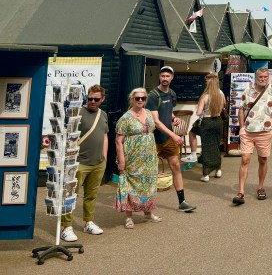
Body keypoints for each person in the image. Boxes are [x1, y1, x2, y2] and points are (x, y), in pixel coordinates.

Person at [114, 87, 184, 228]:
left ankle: (148, 212)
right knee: (131, 185)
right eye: (137, 98)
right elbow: (118, 141)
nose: (140, 100)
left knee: (149, 184)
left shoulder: (148, 113)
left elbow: (160, 122)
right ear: (132, 99)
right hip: (132, 157)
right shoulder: (125, 118)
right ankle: (129, 217)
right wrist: (121, 160)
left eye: (143, 98)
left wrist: (173, 120)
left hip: (149, 157)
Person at [60, 84, 108, 242]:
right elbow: (67, 135)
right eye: (90, 98)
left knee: (91, 195)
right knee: (70, 195)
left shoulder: (103, 114)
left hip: (98, 163)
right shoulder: (78, 112)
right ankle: (66, 227)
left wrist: (104, 157)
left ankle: (88, 222)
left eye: (96, 99)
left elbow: (105, 136)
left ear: (102, 99)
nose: (92, 101)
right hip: (78, 162)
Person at [146, 66, 196, 212]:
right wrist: (174, 135)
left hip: (167, 138)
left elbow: (169, 111)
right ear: (159, 77)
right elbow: (156, 122)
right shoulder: (153, 96)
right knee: (149, 171)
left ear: (172, 77)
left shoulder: (172, 94)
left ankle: (182, 202)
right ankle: (147, 204)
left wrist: (174, 118)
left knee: (175, 166)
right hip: (153, 138)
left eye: (168, 76)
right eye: (163, 76)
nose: (165, 78)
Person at [232, 68, 272, 204]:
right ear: (256, 77)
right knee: (245, 159)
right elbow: (241, 108)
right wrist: (242, 127)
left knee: (263, 160)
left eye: (265, 77)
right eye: (260, 77)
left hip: (265, 131)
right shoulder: (248, 91)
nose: (263, 79)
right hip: (248, 131)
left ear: (269, 78)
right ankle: (241, 192)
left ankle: (260, 187)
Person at [196, 73, 226, 182]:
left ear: (208, 83)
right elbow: (223, 107)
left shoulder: (205, 96)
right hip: (218, 121)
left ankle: (206, 174)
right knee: (217, 146)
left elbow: (198, 113)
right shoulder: (221, 94)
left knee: (207, 147)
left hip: (207, 122)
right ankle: (218, 170)